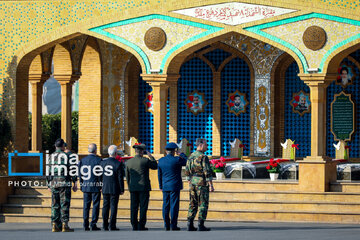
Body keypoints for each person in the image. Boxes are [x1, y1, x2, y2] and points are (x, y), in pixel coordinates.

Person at [46, 138, 77, 232]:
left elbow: (48, 172)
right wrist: (74, 182)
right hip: (64, 182)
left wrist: (48, 184)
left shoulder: (50, 156)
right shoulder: (67, 156)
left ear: (55, 146)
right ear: (63, 146)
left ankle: (55, 225)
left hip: (54, 182)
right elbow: (72, 170)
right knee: (65, 203)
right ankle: (64, 224)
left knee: (55, 204)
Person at [184, 138, 214, 231]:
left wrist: (189, 180)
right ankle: (201, 224)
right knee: (203, 203)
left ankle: (190, 223)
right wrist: (211, 184)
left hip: (193, 182)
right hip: (202, 183)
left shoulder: (191, 156)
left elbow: (187, 171)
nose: (207, 146)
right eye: (206, 144)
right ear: (200, 145)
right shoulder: (203, 157)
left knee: (192, 203)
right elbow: (207, 171)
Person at [126, 143, 157, 231]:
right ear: (142, 151)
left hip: (133, 187)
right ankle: (141, 225)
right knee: (143, 207)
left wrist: (130, 186)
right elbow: (155, 166)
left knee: (134, 207)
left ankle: (134, 225)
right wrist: (151, 156)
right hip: (144, 187)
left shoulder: (128, 162)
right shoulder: (145, 160)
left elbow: (127, 176)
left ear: (135, 151)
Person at [158, 142, 187, 231]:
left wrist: (160, 185)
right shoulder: (177, 160)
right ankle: (173, 225)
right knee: (174, 206)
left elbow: (159, 174)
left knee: (165, 205)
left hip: (165, 186)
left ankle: (166, 224)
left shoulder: (161, 160)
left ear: (166, 151)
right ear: (174, 151)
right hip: (174, 186)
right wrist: (181, 154)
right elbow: (186, 161)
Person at [78, 143, 102, 231]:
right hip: (95, 186)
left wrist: (81, 184)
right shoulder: (99, 160)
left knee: (86, 206)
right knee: (95, 205)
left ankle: (85, 224)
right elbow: (100, 174)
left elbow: (80, 174)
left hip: (86, 185)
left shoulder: (82, 160)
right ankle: (93, 224)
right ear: (95, 150)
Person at [101, 145, 125, 231]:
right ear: (115, 153)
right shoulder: (118, 164)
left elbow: (100, 176)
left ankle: (104, 225)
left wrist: (100, 186)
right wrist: (122, 189)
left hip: (105, 187)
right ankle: (112, 225)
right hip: (114, 188)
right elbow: (120, 178)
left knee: (105, 206)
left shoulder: (102, 163)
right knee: (113, 207)